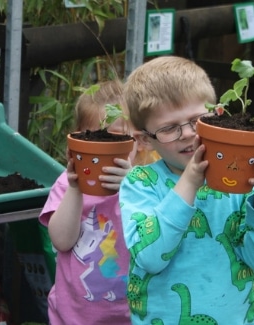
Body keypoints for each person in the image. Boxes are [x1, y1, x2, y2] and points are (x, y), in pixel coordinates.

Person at [120, 55, 254, 324]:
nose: (188, 134)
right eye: (169, 128)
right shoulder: (140, 184)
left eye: (197, 120)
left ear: (217, 117)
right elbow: (150, 258)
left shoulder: (241, 182)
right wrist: (190, 180)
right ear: (145, 140)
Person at [39, 79, 158, 325]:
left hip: (135, 316)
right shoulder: (67, 184)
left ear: (139, 141)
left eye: (116, 140)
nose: (105, 151)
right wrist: (75, 189)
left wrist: (132, 187)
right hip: (74, 317)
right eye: (96, 140)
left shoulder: (148, 183)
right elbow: (61, 240)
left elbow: (159, 237)